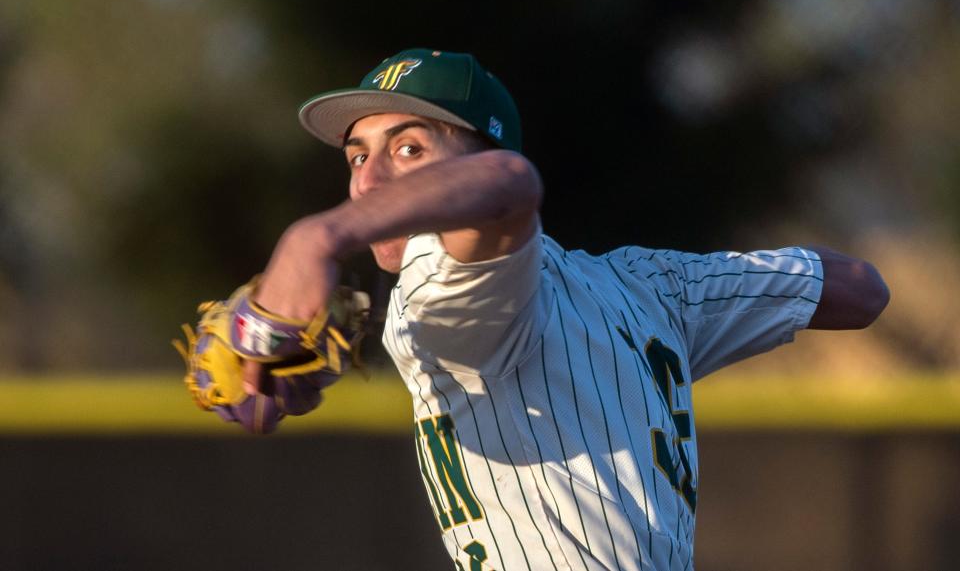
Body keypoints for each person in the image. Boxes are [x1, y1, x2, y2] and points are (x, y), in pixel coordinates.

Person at [245, 48, 889, 571]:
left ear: (483, 158)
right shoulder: (648, 283)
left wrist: (317, 236)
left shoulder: (432, 278)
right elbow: (861, 289)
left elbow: (513, 187)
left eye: (409, 148)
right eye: (358, 155)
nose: (367, 180)